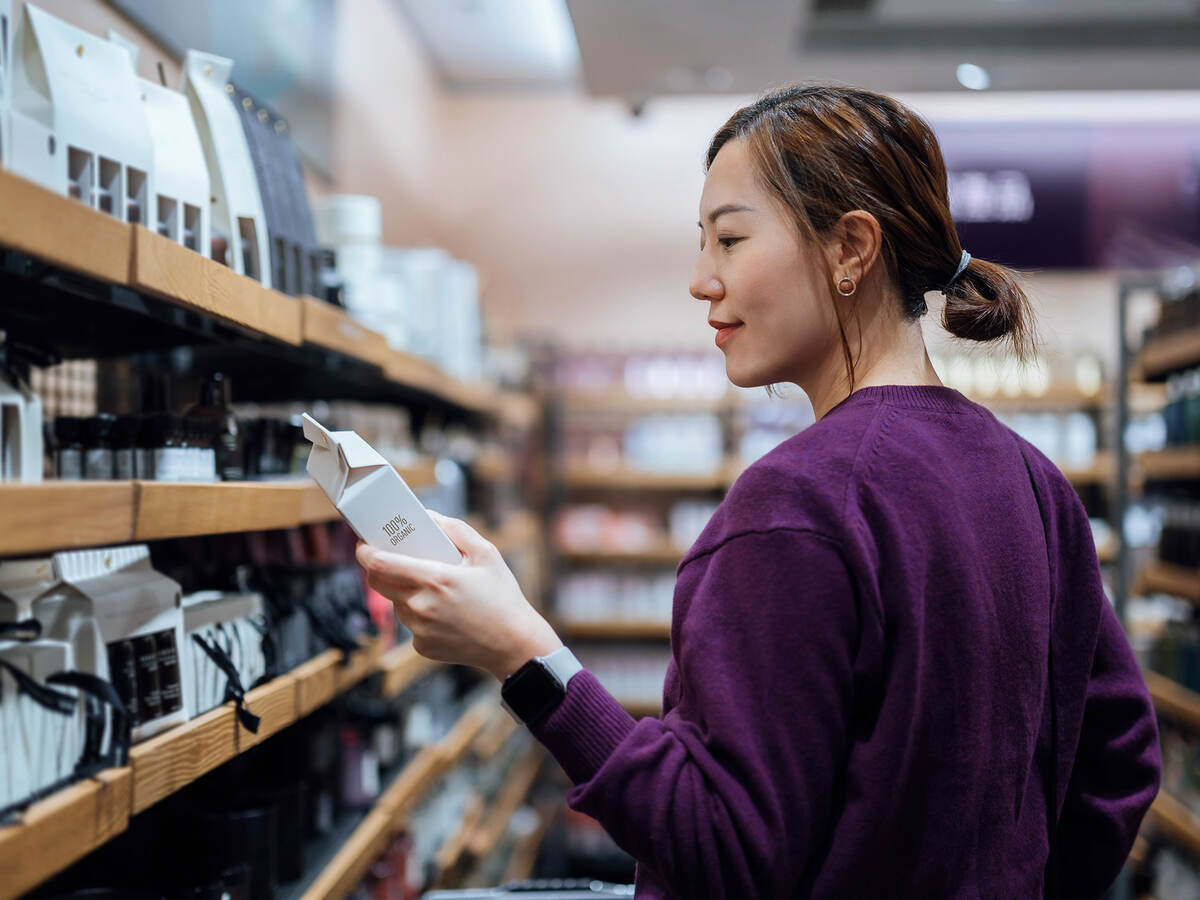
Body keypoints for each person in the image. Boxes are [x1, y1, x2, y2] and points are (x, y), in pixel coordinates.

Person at [357, 85, 1161, 899]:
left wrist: (520, 652)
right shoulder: (1031, 480)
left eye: (731, 240)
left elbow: (720, 850)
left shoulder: (801, 505)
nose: (702, 281)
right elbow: (1120, 763)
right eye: (701, 243)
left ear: (852, 249)